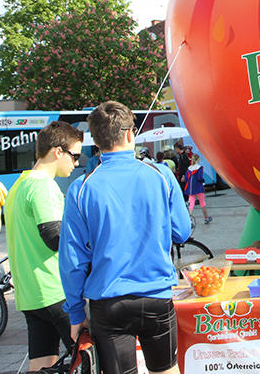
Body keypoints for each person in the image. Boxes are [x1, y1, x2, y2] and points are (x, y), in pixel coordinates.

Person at [59, 101, 191, 374]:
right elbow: (182, 231)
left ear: (94, 141)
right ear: (131, 135)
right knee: (166, 370)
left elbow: (72, 260)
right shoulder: (161, 175)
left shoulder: (80, 189)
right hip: (156, 296)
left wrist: (75, 313)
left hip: (108, 303)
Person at [5, 120, 83, 371]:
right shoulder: (42, 186)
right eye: (75, 155)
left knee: (40, 364)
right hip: (55, 291)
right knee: (88, 358)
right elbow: (55, 238)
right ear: (57, 151)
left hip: (30, 294)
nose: (77, 163)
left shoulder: (19, 185)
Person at [185, 154, 212, 225]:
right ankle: (206, 217)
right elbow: (199, 178)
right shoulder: (200, 168)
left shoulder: (189, 168)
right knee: (202, 202)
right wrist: (203, 181)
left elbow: (186, 178)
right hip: (199, 187)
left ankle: (189, 220)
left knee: (191, 204)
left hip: (191, 188)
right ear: (198, 160)